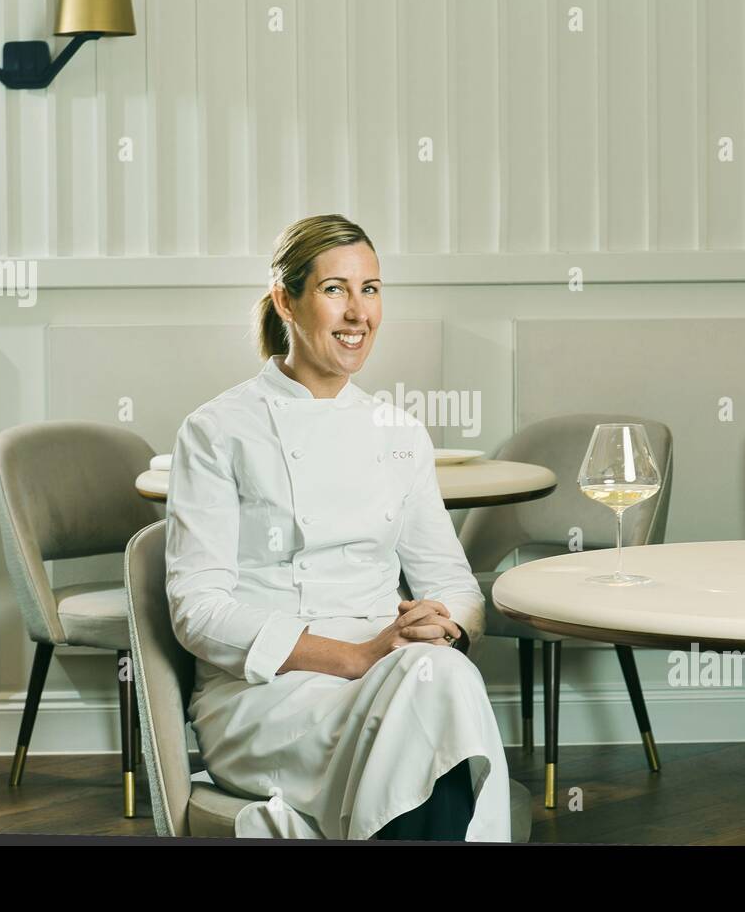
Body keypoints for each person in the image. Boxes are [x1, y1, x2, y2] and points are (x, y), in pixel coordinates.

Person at [164, 214, 512, 841]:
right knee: (436, 690)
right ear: (285, 302)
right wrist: (353, 658)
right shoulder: (218, 430)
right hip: (268, 692)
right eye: (335, 290)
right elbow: (197, 609)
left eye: (371, 289)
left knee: (441, 672)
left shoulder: (400, 432)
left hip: (396, 671)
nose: (358, 313)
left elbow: (454, 584)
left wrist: (446, 623)